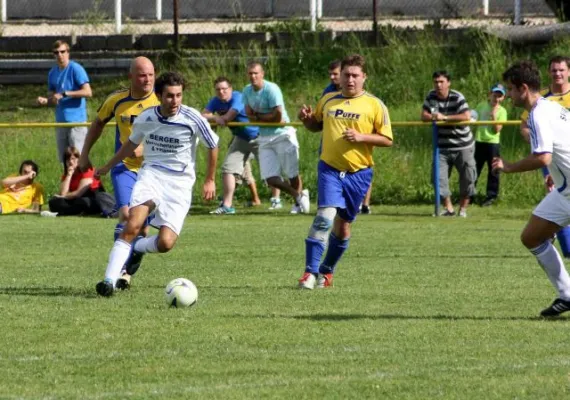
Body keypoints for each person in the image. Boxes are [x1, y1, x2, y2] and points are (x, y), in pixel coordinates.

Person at [94, 71, 219, 297]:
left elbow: (213, 145)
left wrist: (209, 179)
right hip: (151, 175)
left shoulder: (192, 118)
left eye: (179, 95)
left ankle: (138, 248)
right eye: (170, 96)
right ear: (160, 96)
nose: (175, 101)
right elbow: (130, 146)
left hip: (179, 184)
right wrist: (109, 165)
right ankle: (108, 281)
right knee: (132, 224)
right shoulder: (147, 118)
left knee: (165, 244)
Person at [297, 54, 393, 289]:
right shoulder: (328, 100)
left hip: (358, 174)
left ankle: (326, 272)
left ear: (364, 77)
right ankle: (309, 273)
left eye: (355, 75)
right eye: (346, 75)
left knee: (343, 226)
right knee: (323, 218)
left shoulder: (375, 105)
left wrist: (362, 137)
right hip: (329, 168)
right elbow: (315, 125)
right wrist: (306, 120)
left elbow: (387, 139)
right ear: (339, 77)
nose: (350, 80)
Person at [492, 60, 570, 317]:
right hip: (564, 189)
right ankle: (567, 295)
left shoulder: (537, 114)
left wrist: (508, 167)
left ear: (523, 88)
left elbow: (543, 157)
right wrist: (557, 174)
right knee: (532, 237)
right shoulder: (552, 107)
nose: (509, 95)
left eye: (511, 90)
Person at [79, 56, 160, 289]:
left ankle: (129, 267)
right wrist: (84, 154)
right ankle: (119, 271)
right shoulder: (117, 100)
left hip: (153, 172)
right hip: (124, 167)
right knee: (126, 215)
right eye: (142, 75)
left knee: (142, 227)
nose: (147, 80)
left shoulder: (161, 101)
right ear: (131, 77)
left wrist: (148, 147)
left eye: (151, 75)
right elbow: (97, 124)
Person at [243, 61, 310, 214]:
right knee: (270, 178)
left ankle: (297, 204)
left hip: (283, 134)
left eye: (256, 73)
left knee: (291, 173)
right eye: (250, 73)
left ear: (262, 74)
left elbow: (278, 116)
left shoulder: (271, 89)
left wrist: (259, 116)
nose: (253, 76)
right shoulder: (247, 91)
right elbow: (250, 116)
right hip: (265, 137)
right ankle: (298, 195)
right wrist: (266, 117)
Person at [520, 55, 570, 259]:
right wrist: (539, 141)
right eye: (554, 70)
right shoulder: (541, 99)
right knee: (559, 199)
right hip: (551, 159)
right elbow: (524, 127)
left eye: (561, 69)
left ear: (569, 72)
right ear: (548, 72)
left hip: (561, 159)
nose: (557, 73)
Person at [202, 76, 261, 214]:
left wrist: (219, 118)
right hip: (240, 138)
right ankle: (227, 206)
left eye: (224, 89)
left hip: (259, 137)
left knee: (271, 174)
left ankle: (286, 198)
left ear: (231, 89)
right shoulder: (216, 101)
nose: (221, 92)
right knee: (228, 169)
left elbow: (228, 117)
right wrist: (215, 117)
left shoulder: (238, 97)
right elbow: (203, 114)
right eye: (218, 90)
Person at [421, 70, 476, 217]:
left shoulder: (457, 97)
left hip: (463, 145)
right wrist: (433, 116)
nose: (438, 85)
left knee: (468, 177)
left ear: (448, 83)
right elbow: (423, 115)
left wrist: (444, 118)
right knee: (438, 178)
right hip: (442, 146)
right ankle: (449, 208)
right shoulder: (431, 96)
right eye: (436, 82)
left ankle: (463, 209)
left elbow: (466, 115)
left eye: (441, 82)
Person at [36, 40, 92, 163]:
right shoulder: (52, 73)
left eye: (62, 52)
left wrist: (66, 93)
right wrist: (46, 101)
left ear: (68, 53)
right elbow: (54, 98)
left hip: (76, 123)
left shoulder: (76, 69)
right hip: (60, 122)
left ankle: (85, 182)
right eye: (56, 52)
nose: (59, 55)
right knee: (64, 161)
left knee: (78, 160)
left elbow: (88, 92)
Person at [473, 84, 508, 206]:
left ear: (503, 98)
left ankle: (491, 196)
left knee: (493, 170)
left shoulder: (502, 111)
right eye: (495, 95)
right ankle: (469, 194)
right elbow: (473, 119)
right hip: (479, 141)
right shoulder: (481, 106)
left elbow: (497, 129)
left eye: (499, 96)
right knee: (474, 168)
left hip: (493, 143)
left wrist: (493, 115)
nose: (496, 98)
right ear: (490, 95)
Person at [47, 146, 103, 216]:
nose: (70, 162)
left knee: (82, 202)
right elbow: (62, 193)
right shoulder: (66, 175)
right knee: (53, 202)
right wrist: (69, 175)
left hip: (91, 197)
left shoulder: (88, 171)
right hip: (74, 199)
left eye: (73, 159)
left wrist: (64, 196)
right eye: (68, 159)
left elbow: (78, 193)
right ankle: (73, 211)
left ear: (79, 159)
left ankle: (64, 212)